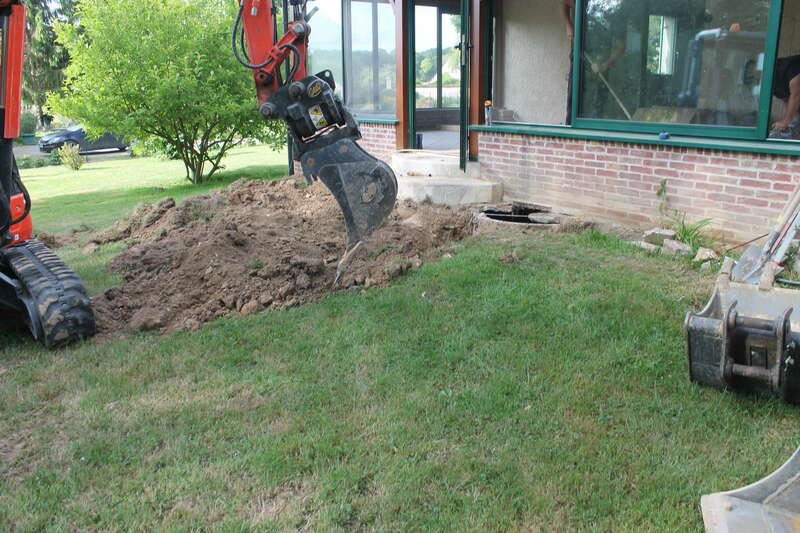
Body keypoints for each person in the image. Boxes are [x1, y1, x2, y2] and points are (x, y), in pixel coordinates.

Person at [771, 55, 800, 138]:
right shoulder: (774, 86)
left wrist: (785, 121)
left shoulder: (792, 67)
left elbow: (796, 95)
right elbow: (787, 100)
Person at [560, 0, 575, 125]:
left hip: (596, 56)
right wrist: (568, 25)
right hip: (579, 52)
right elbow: (564, 2)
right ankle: (569, 125)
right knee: (572, 95)